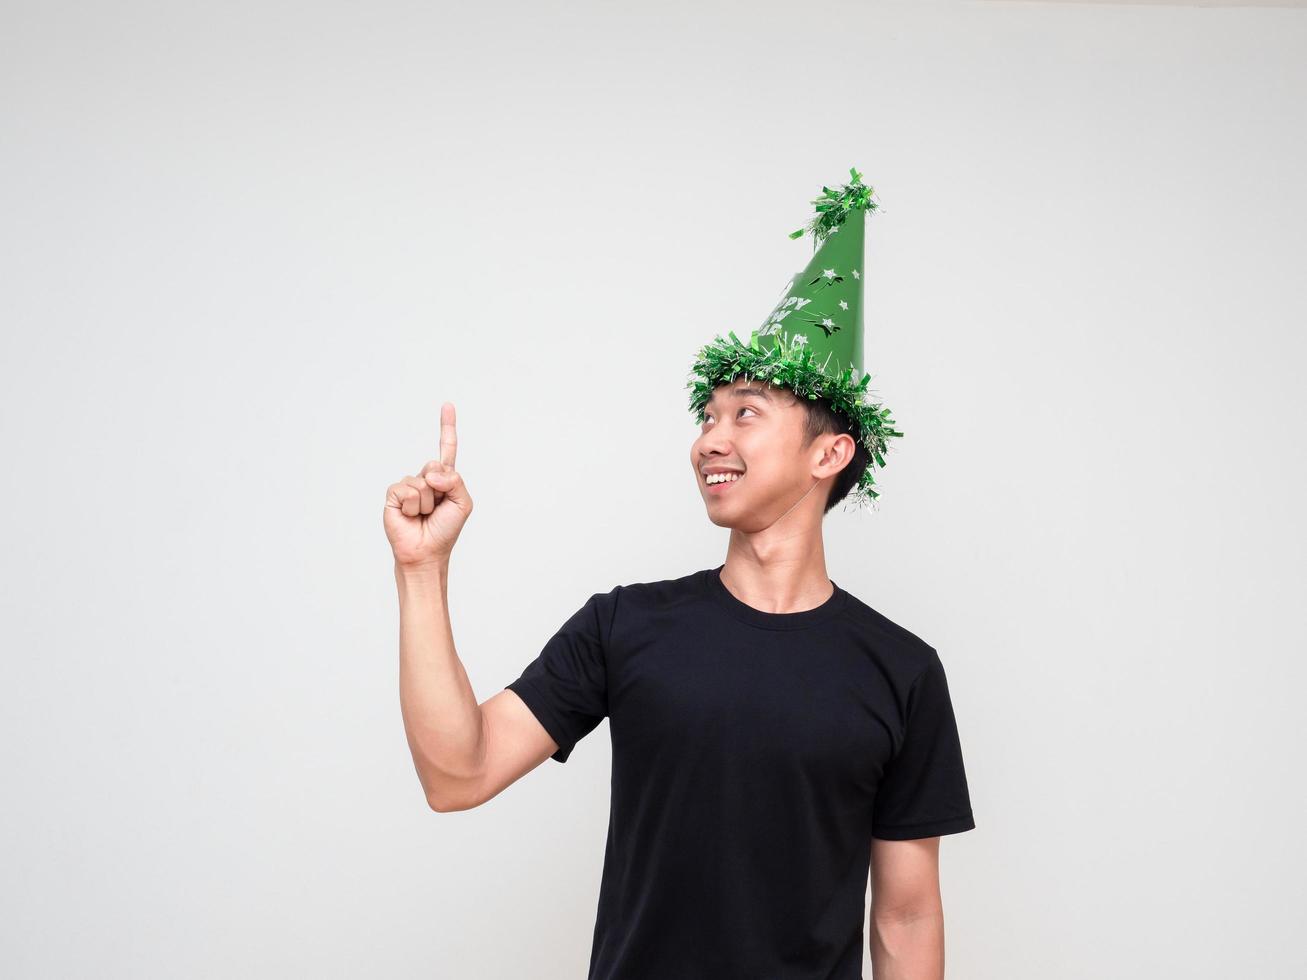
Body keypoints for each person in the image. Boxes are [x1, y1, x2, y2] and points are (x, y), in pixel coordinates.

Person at [384, 168, 976, 980]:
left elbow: (906, 919)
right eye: (706, 417)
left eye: (744, 413)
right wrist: (422, 571)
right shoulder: (624, 627)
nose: (709, 440)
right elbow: (457, 774)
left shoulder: (901, 671)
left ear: (828, 454)